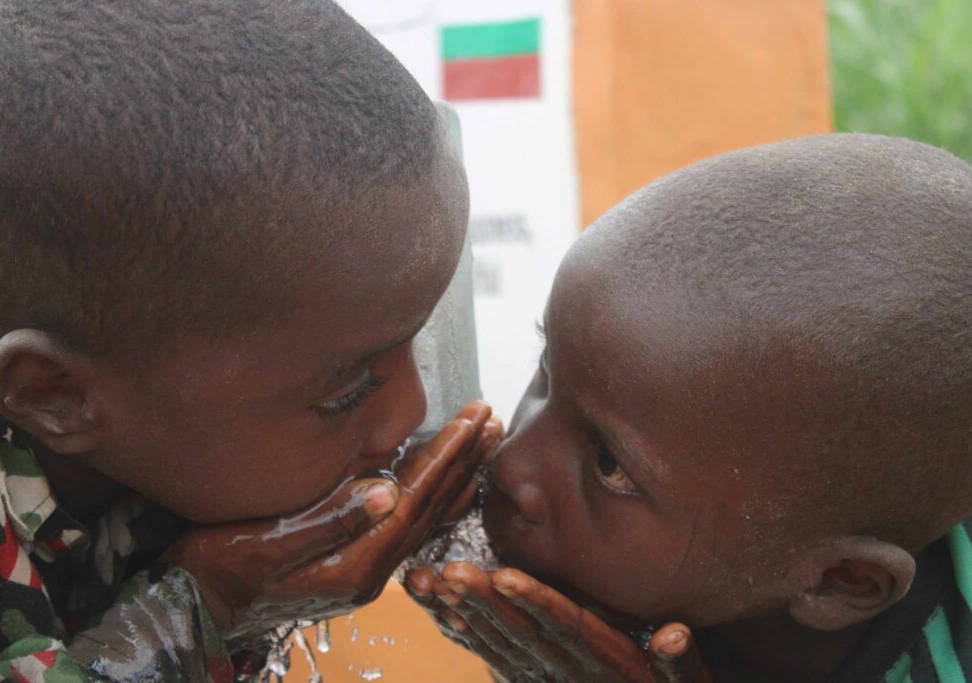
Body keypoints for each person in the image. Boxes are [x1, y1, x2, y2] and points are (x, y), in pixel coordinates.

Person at [0, 1, 504, 680]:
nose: (409, 415)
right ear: (55, 395)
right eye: (350, 391)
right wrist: (202, 608)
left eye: (419, 341)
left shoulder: (191, 368)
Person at [408, 134, 972, 683]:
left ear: (839, 582)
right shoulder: (718, 556)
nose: (512, 461)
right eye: (546, 366)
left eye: (610, 466)